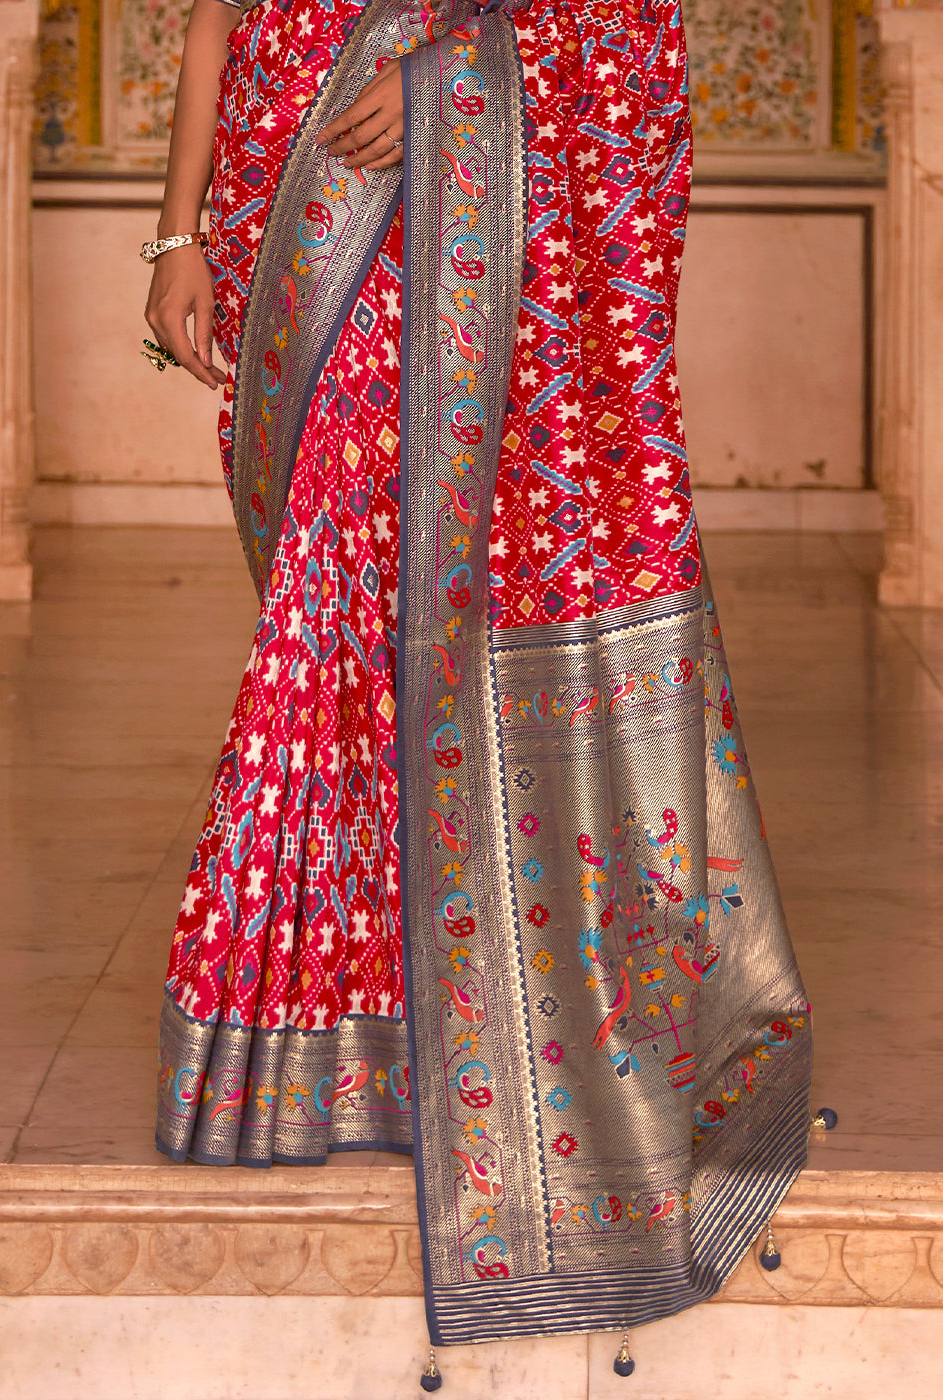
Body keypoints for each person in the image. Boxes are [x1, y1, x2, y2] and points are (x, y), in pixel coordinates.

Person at [147, 0, 816, 1361]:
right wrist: (177, 234)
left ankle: (437, 1043)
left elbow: (623, 23)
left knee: (433, 631)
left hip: (464, 215)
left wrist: (459, 73)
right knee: (324, 619)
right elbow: (215, 15)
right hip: (298, 195)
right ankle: (305, 1046)